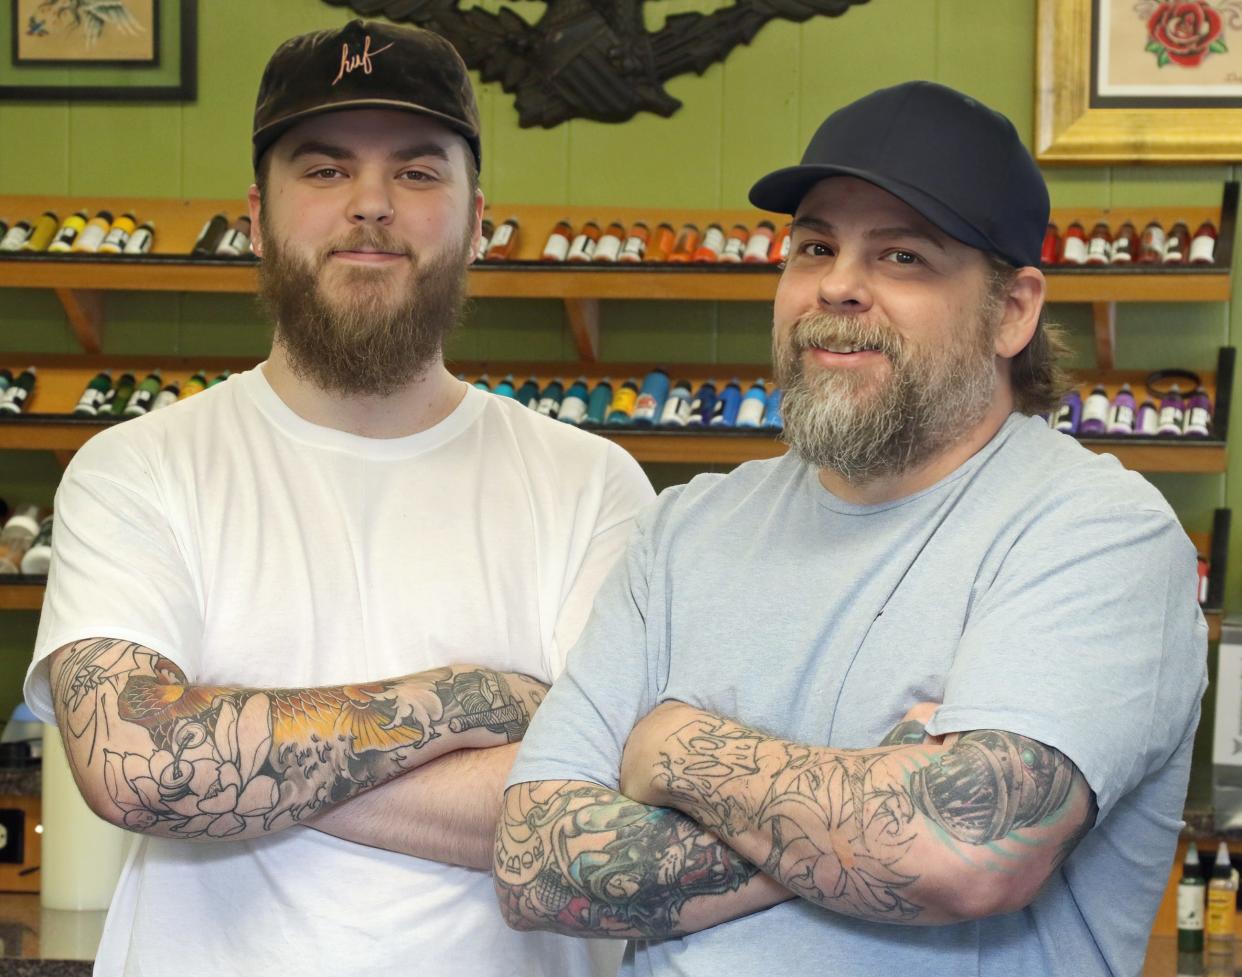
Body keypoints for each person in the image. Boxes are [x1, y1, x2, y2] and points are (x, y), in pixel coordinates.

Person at [495, 80, 1206, 977]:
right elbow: (533, 865)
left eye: (902, 256)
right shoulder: (685, 529)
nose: (837, 285)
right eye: (815, 246)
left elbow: (961, 853)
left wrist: (671, 746)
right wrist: (872, 802)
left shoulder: (1098, 532)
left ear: (1014, 310)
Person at [23, 20, 653, 977]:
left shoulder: (592, 486)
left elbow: (611, 811)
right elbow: (136, 763)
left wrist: (227, 755)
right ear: (257, 215)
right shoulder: (137, 468)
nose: (370, 205)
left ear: (478, 217)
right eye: (323, 170)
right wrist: (469, 698)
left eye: (416, 171)